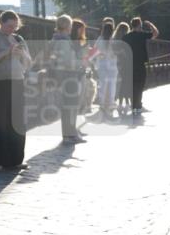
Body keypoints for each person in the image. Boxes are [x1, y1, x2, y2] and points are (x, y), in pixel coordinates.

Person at [0, 10, 32, 174]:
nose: (13, 29)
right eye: (9, 25)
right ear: (1, 23)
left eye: (15, 26)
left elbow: (29, 63)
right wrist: (5, 53)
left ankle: (15, 160)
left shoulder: (19, 39)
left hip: (17, 83)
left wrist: (22, 54)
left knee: (17, 122)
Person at [46, 14, 84, 142]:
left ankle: (68, 134)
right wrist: (83, 61)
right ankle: (70, 135)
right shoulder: (63, 41)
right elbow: (68, 63)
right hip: (68, 77)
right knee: (71, 106)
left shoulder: (55, 39)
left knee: (67, 107)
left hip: (61, 77)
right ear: (68, 26)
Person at [122, 17, 158, 116]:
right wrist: (150, 24)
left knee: (132, 85)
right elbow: (155, 33)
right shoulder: (142, 35)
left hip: (129, 64)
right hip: (140, 64)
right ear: (139, 25)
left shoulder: (125, 37)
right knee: (140, 85)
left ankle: (134, 105)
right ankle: (138, 105)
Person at [91, 20, 118, 117]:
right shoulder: (114, 40)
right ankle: (110, 104)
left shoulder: (100, 39)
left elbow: (94, 52)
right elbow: (118, 53)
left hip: (102, 64)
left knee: (102, 84)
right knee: (112, 85)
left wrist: (93, 61)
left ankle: (102, 105)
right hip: (112, 65)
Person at [114, 22, 132, 115]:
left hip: (117, 64)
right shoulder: (127, 39)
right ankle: (127, 104)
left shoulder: (115, 39)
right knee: (126, 84)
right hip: (127, 65)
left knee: (121, 85)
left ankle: (120, 104)